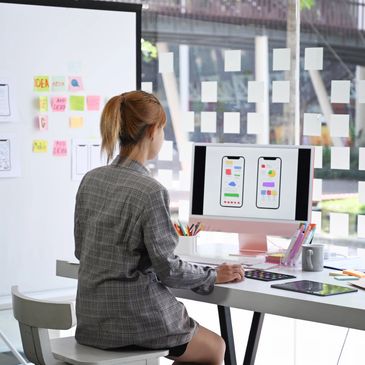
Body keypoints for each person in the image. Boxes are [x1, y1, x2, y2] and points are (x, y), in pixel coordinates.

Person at [74, 90, 245, 365]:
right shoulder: (151, 191)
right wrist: (213, 275)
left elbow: (81, 250)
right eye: (163, 129)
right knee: (214, 347)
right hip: (134, 317)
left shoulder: (90, 180)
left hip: (91, 320)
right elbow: (169, 269)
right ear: (153, 131)